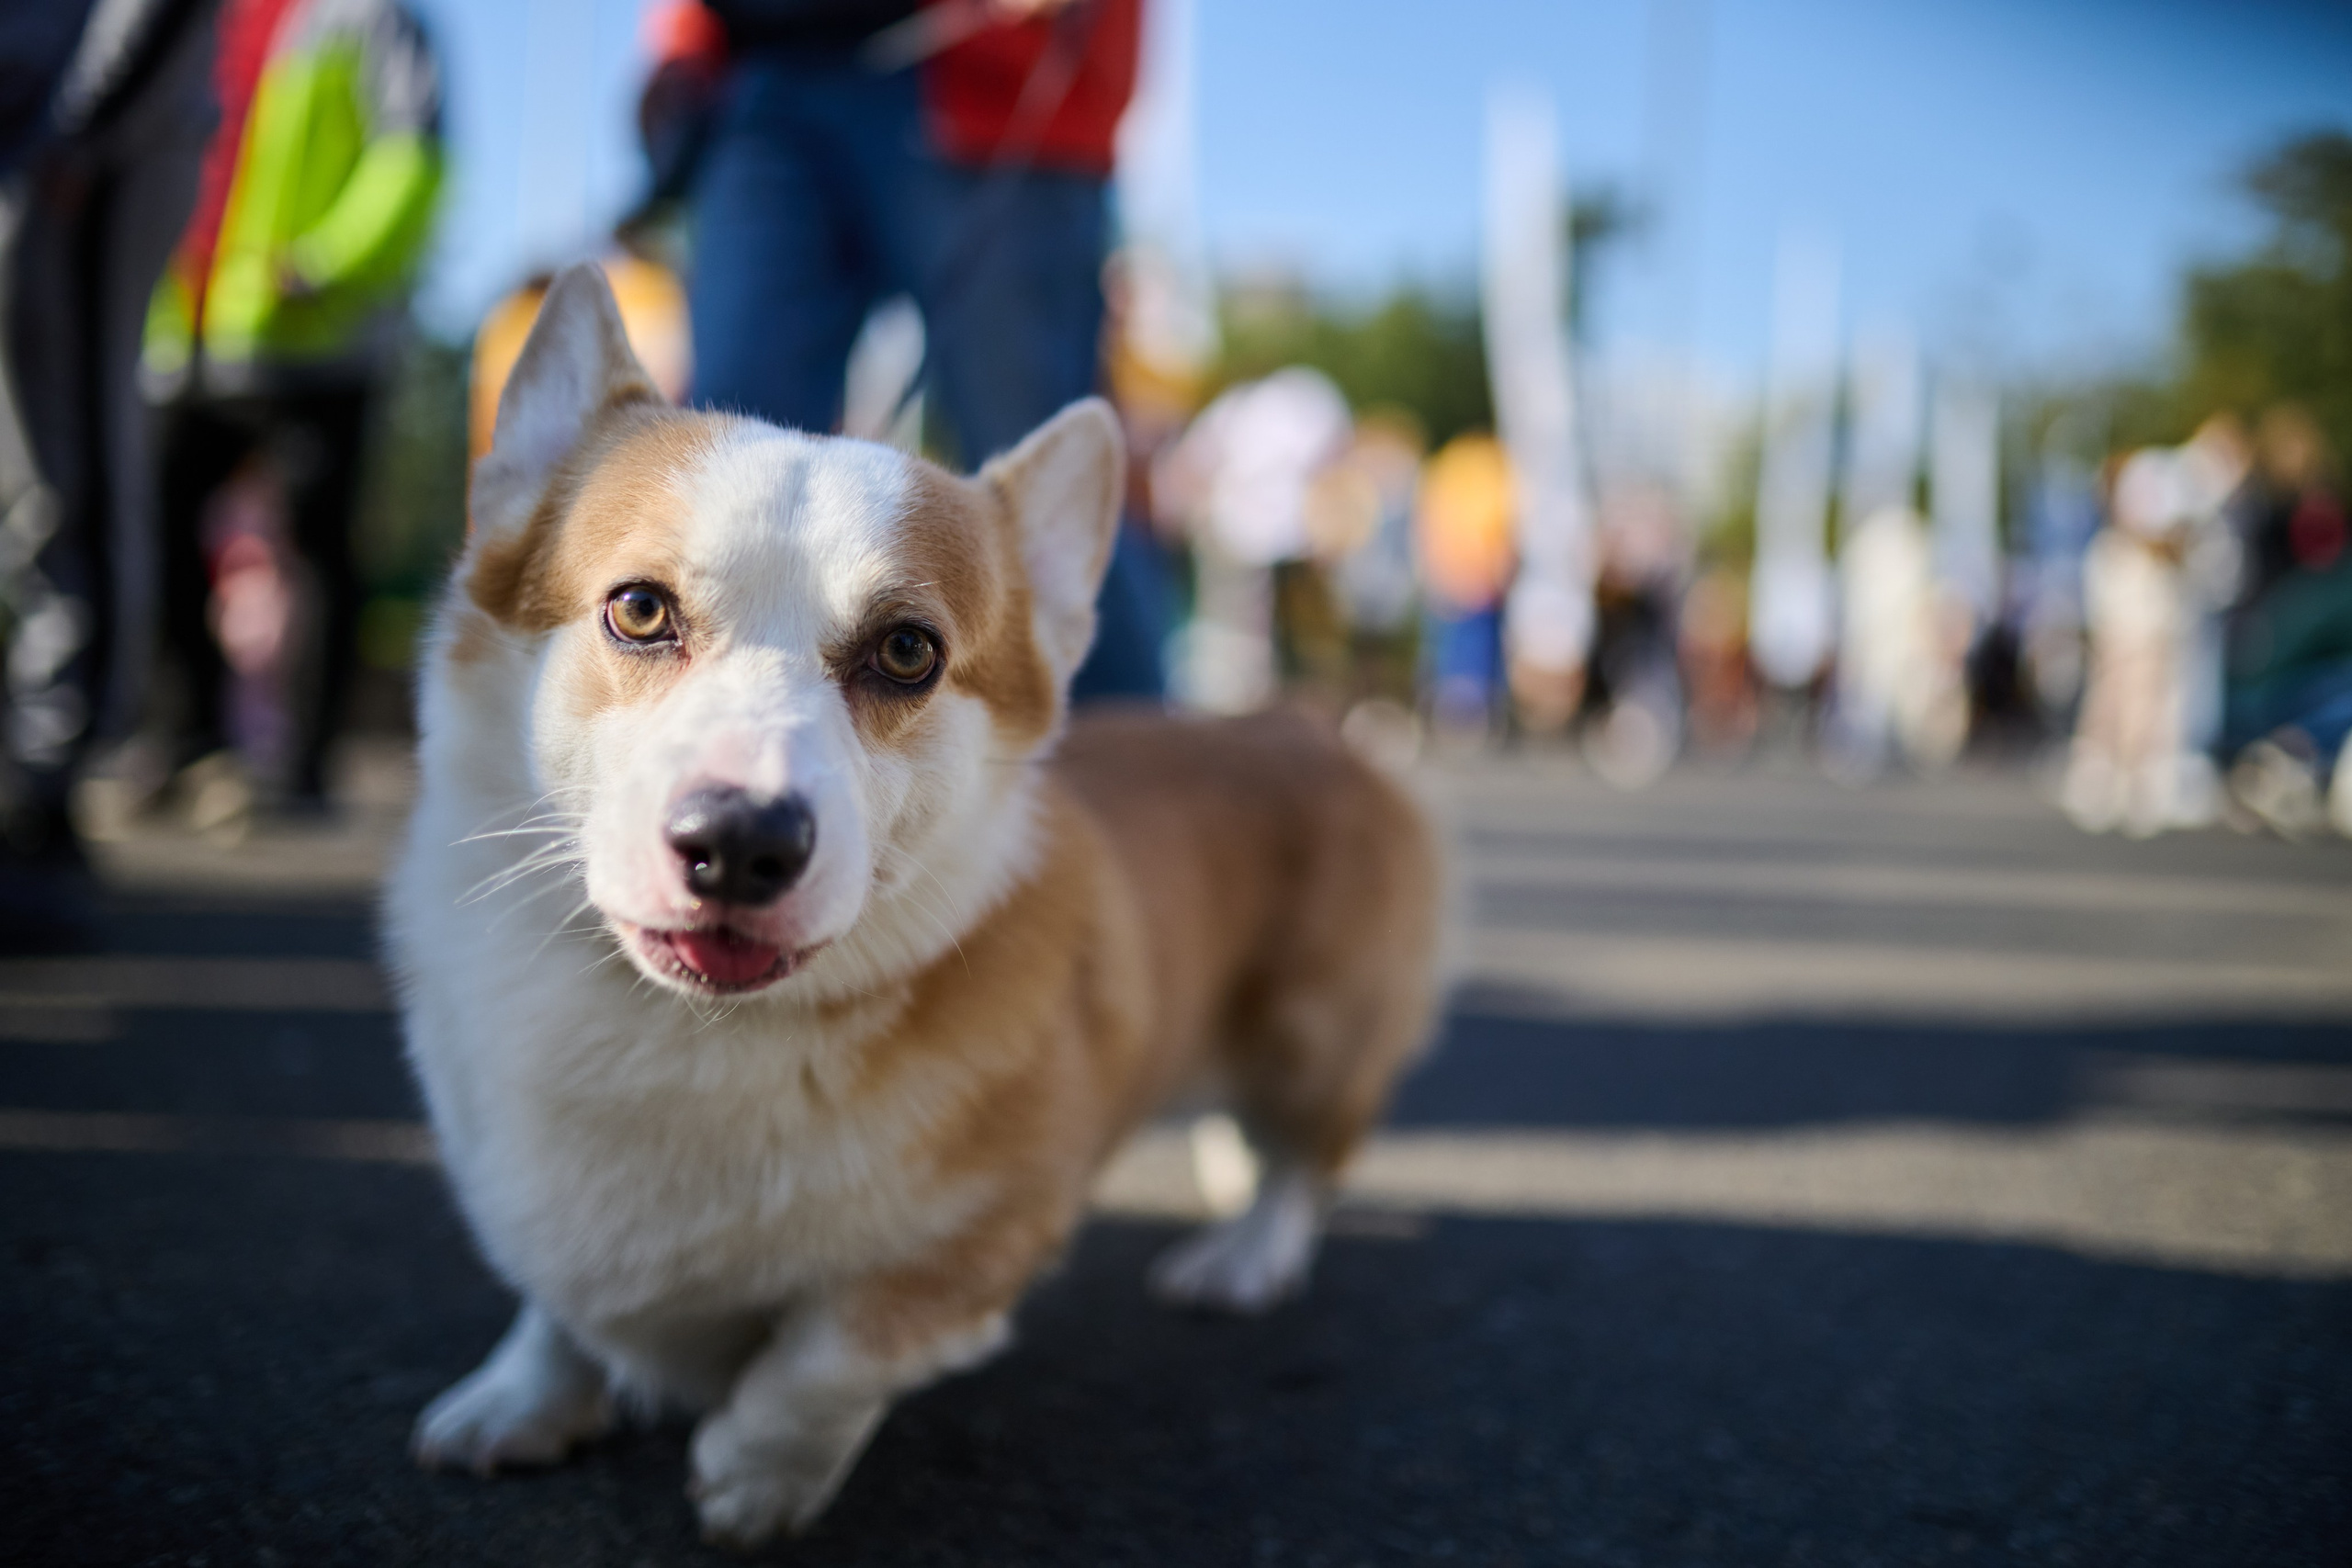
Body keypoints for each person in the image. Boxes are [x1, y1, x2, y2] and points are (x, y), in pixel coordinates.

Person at [674, 0, 1164, 700]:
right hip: (763, 75)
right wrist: (682, 36)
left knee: (1048, 481)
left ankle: (1145, 782)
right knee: (719, 451)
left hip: (985, 58)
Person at [143, 0, 441, 811]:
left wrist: (326, 264)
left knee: (317, 546)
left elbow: (412, 156)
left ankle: (300, 766)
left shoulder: (366, 17)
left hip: (318, 338)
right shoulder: (205, 22)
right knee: (161, 528)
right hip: (194, 337)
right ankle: (185, 743)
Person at [0, 0, 220, 943]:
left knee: (67, 470)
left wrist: (78, 128)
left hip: (78, 139)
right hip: (43, 125)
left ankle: (47, 795)